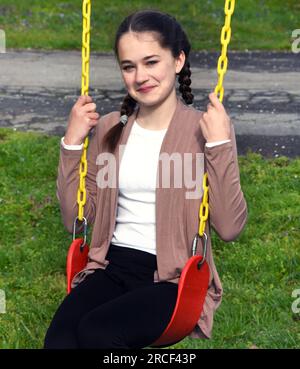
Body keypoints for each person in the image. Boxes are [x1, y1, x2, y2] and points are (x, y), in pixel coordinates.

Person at [44, 9, 247, 349]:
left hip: (172, 280)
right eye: (129, 66)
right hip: (110, 267)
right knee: (61, 339)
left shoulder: (203, 131)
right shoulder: (110, 128)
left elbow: (229, 228)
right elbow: (74, 219)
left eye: (151, 62)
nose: (140, 76)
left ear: (178, 60)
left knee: (100, 333)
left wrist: (219, 144)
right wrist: (72, 144)